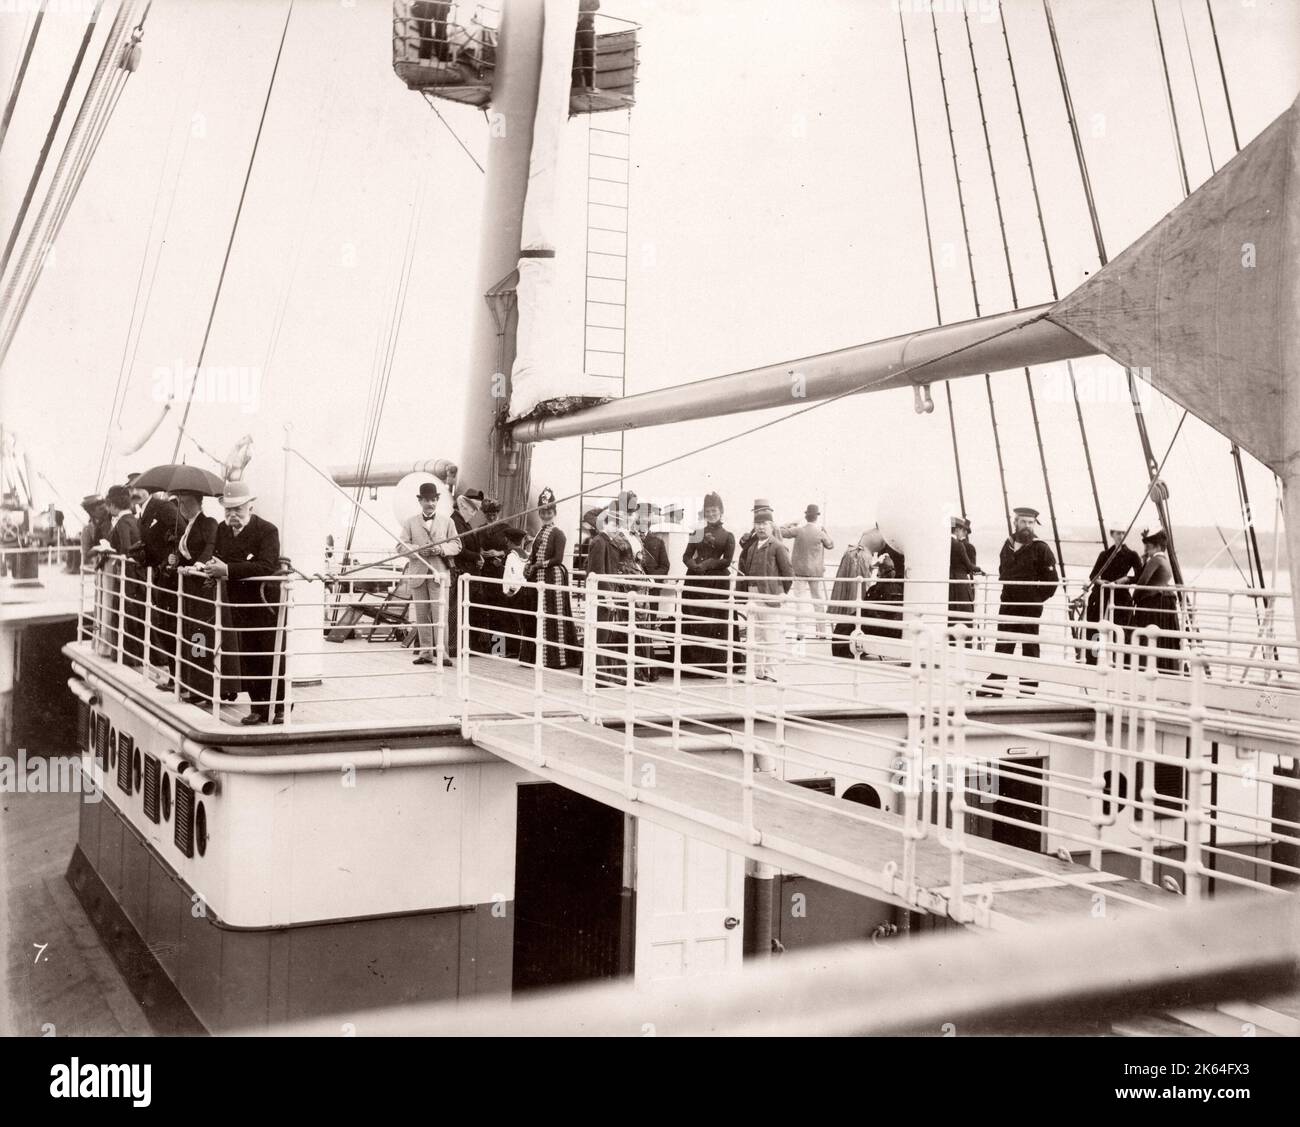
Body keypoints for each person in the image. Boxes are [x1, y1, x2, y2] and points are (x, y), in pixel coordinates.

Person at [202, 480, 287, 725]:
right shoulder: (222, 529)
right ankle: (257, 706)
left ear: (250, 506)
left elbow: (266, 566)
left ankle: (281, 706)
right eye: (228, 509)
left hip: (265, 605)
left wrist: (227, 569)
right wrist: (210, 567)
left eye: (238, 509)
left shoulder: (267, 531)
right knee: (248, 656)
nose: (233, 515)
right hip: (239, 603)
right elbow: (219, 557)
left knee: (271, 654)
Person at [979, 506, 1060, 697]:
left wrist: (1036, 598)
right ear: (1015, 522)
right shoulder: (1007, 544)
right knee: (1003, 642)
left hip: (1029, 605)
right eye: (1023, 522)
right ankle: (996, 685)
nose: (1027, 526)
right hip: (1008, 602)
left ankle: (1027, 688)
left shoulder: (1041, 548)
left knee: (1030, 645)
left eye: (1031, 522)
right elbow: (1002, 570)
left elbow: (1052, 581)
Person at [586, 509, 657, 685]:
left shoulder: (610, 541)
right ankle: (600, 676)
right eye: (613, 524)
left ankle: (605, 675)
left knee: (607, 633)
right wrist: (607, 596)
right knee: (603, 633)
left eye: (618, 524)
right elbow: (597, 571)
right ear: (605, 523)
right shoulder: (600, 541)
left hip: (621, 588)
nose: (616, 528)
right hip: (609, 591)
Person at [397, 482, 460, 666]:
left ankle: (443, 654)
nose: (430, 503)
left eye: (433, 500)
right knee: (422, 615)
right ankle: (425, 653)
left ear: (437, 500)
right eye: (426, 500)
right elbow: (400, 546)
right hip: (419, 575)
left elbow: (457, 545)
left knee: (441, 615)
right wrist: (418, 550)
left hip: (439, 575)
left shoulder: (448, 522)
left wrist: (440, 549)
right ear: (420, 501)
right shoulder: (410, 522)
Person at [518, 488, 580, 671]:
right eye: (543, 512)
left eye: (549, 512)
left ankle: (555, 658)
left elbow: (558, 559)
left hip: (553, 579)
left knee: (553, 617)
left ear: (554, 513)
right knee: (535, 615)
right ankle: (534, 657)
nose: (546, 515)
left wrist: (538, 565)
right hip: (537, 579)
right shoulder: (539, 532)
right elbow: (534, 554)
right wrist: (529, 565)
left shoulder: (558, 533)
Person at [171, 490, 219, 704]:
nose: (182, 507)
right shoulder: (187, 526)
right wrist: (177, 561)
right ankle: (195, 685)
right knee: (193, 635)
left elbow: (210, 547)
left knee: (200, 636)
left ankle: (204, 688)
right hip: (190, 589)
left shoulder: (208, 523)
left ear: (199, 503)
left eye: (187, 503)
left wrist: (198, 565)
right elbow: (186, 553)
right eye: (180, 503)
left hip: (202, 589)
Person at [680, 491, 735, 675]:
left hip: (716, 582)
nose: (711, 514)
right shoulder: (697, 533)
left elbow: (727, 560)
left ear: (721, 512)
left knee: (715, 621)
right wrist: (694, 566)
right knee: (693, 621)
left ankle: (714, 665)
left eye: (714, 511)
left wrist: (710, 563)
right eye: (708, 511)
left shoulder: (728, 536)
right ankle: (694, 665)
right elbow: (686, 556)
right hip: (695, 580)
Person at [739, 507, 793, 682]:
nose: (761, 527)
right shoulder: (752, 547)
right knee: (755, 635)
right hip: (752, 594)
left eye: (764, 524)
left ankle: (772, 673)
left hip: (770, 596)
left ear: (771, 526)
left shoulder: (778, 546)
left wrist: (778, 592)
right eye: (757, 524)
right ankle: (756, 672)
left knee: (771, 635)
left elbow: (788, 574)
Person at [95, 485, 145, 663]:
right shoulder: (134, 520)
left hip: (125, 576)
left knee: (122, 613)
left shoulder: (123, 523)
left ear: (113, 505)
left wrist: (110, 552)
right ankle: (133, 654)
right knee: (133, 614)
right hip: (136, 575)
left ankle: (125, 655)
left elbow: (125, 549)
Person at [138, 490, 181, 687]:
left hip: (173, 580)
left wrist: (168, 557)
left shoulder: (165, 508)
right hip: (163, 577)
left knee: (177, 629)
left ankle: (180, 678)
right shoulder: (152, 511)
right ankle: (175, 676)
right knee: (166, 626)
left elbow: (180, 535)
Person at [1083, 524, 1142, 665]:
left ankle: (1118, 661)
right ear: (1112, 535)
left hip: (1120, 596)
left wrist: (1126, 579)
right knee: (1096, 627)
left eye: (1123, 533)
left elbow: (1139, 576)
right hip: (1102, 596)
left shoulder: (1132, 555)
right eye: (1118, 533)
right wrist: (1101, 582)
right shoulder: (1104, 555)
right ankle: (1094, 660)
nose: (1121, 536)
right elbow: (1093, 576)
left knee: (1120, 629)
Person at [1127, 529, 1184, 674]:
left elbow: (1142, 582)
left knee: (1147, 636)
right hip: (1166, 605)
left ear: (1158, 546)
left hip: (1153, 604)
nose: (1147, 549)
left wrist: (1133, 599)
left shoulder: (1155, 560)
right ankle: (1166, 668)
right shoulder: (1165, 561)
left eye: (1149, 546)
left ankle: (1145, 667)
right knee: (1162, 639)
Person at [781, 504, 835, 639]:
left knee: (800, 602)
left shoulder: (799, 530)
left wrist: (790, 523)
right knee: (818, 602)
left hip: (799, 572)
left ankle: (801, 632)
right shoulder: (820, 532)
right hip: (816, 572)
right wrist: (826, 532)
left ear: (806, 516)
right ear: (816, 517)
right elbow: (830, 545)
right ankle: (822, 632)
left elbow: (780, 532)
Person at [445, 491, 483, 658]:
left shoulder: (462, 523)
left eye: (476, 510)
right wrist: (477, 557)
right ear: (462, 505)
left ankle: (459, 645)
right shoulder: (456, 522)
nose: (474, 513)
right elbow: (459, 549)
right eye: (472, 509)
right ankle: (453, 646)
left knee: (460, 610)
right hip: (459, 573)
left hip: (466, 573)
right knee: (455, 610)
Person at [829, 530, 877, 659]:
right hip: (858, 580)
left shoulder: (853, 550)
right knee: (855, 608)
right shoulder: (863, 553)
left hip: (851, 584)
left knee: (851, 609)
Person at [471, 498, 510, 655]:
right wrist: (480, 552)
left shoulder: (505, 528)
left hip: (499, 573)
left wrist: (499, 553)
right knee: (481, 609)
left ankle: (498, 649)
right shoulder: (479, 530)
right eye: (488, 514)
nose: (492, 517)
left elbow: (513, 549)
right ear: (484, 514)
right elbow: (474, 547)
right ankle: (481, 646)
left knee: (498, 610)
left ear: (498, 513)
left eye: (494, 514)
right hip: (483, 573)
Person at [948, 516, 980, 643]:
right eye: (962, 530)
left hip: (948, 581)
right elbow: (970, 566)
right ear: (957, 530)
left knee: (951, 614)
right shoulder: (959, 545)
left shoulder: (943, 543)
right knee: (964, 615)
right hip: (960, 583)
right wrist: (980, 569)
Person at [573, 0, 599, 90]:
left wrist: (583, 13)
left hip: (586, 22)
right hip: (573, 23)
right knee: (575, 54)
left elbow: (596, 4)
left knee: (588, 53)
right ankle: (577, 85)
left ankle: (590, 84)